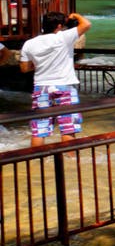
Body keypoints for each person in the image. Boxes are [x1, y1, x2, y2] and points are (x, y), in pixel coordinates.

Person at [18, 11, 91, 147]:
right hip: (64, 86)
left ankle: (37, 162)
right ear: (58, 26)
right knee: (68, 128)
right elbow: (86, 24)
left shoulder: (29, 43)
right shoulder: (63, 37)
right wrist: (75, 15)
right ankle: (70, 161)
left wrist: (41, 64)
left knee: (39, 129)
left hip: (41, 87)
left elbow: (24, 68)